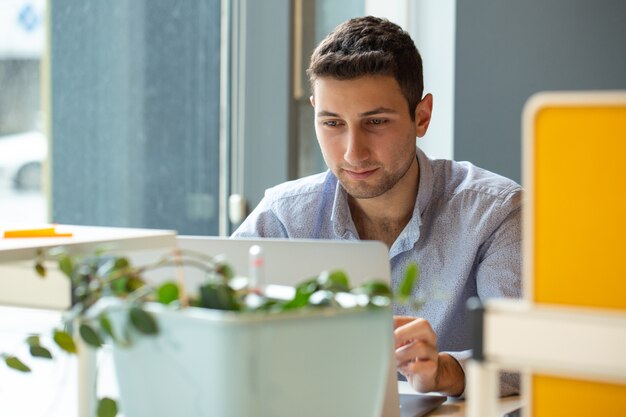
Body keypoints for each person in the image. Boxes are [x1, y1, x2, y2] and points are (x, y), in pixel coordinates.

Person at [232, 16, 521, 397]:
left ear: (422, 116)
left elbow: (530, 357)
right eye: (333, 123)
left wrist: (444, 372)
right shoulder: (284, 217)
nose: (353, 152)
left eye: (376, 122)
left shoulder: (494, 213)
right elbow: (212, 331)